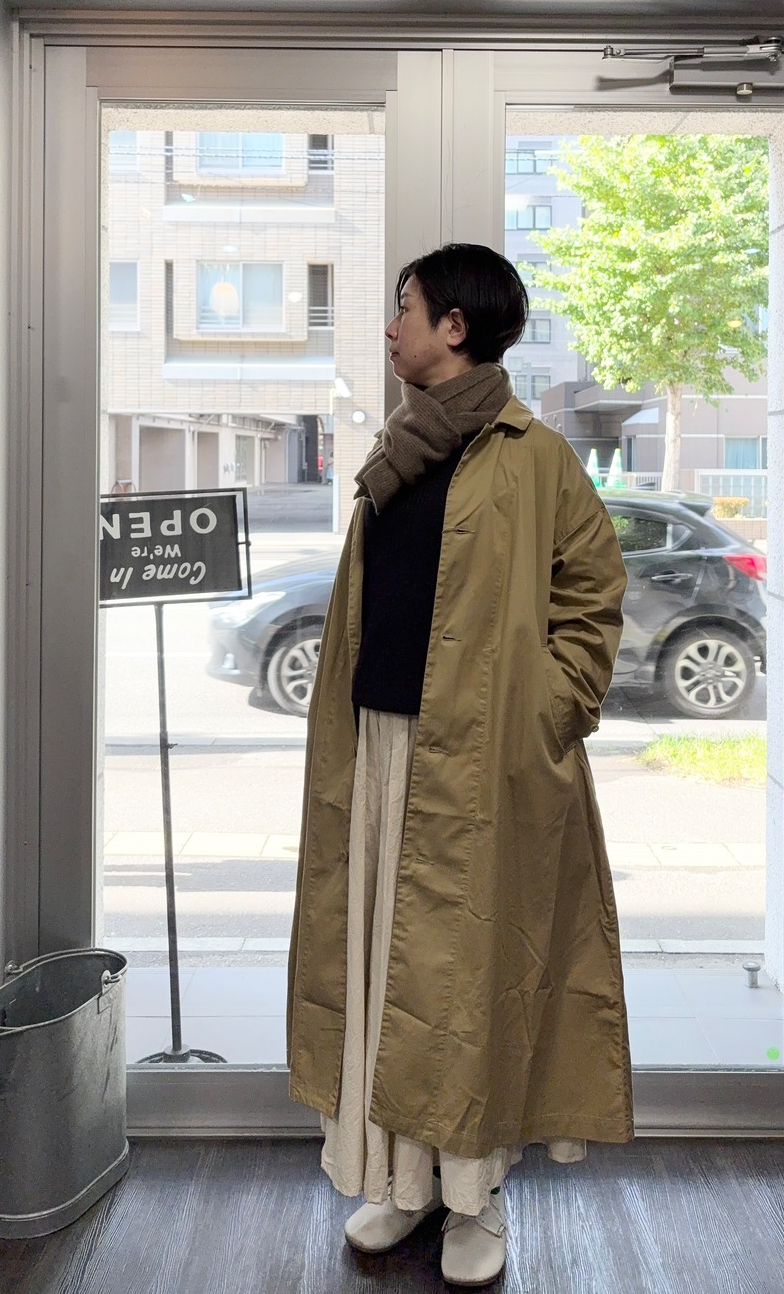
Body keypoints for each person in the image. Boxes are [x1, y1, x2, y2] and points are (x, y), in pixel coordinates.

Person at [287, 243, 632, 1287]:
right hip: (382, 749)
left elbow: (592, 590)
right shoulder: (400, 447)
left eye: (405, 306)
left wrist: (548, 710)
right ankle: (405, 1184)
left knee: (468, 984)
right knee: (386, 970)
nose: (390, 326)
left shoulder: (535, 455)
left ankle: (475, 1195)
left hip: (484, 760)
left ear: (454, 326)